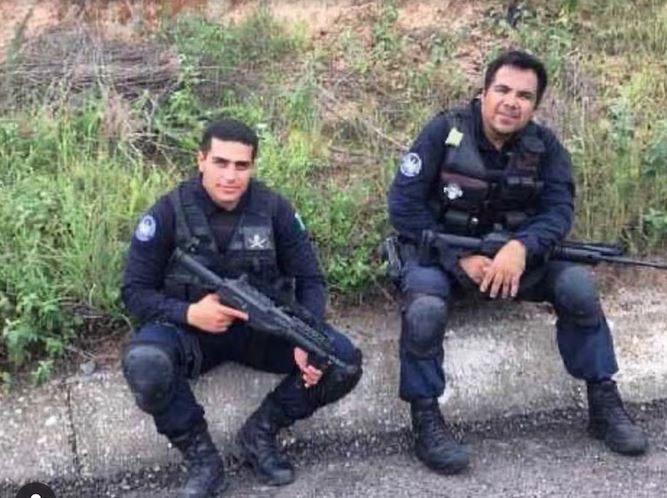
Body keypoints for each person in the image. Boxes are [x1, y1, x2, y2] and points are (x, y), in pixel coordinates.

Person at [387, 50, 648, 475]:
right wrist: (461, 259)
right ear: (483, 92)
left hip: (516, 262)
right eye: (503, 90)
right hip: (443, 258)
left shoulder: (545, 147)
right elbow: (404, 206)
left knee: (578, 287)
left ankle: (604, 403)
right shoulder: (444, 132)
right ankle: (426, 420)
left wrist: (521, 248)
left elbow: (558, 212)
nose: (511, 102)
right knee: (425, 311)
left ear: (535, 105)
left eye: (524, 96)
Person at [121, 119, 363, 498]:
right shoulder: (168, 213)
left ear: (252, 166)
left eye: (241, 165)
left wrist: (305, 335)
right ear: (201, 160)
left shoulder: (275, 210)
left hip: (260, 331)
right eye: (220, 162)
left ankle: (261, 432)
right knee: (146, 363)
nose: (230, 175)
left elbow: (310, 280)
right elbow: (134, 292)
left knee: (341, 360)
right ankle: (203, 460)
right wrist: (189, 313)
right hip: (192, 334)